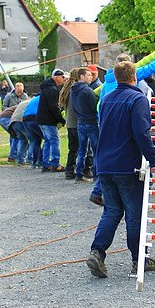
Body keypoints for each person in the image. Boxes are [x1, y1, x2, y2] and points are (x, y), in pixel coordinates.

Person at [86, 60, 155, 279]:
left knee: (111, 210)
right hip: (127, 164)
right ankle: (139, 259)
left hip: (106, 163)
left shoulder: (107, 98)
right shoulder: (137, 99)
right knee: (134, 213)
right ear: (134, 76)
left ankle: (97, 252)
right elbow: (141, 133)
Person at [70, 67, 104, 205]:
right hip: (90, 122)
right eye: (89, 75)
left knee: (82, 150)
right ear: (82, 76)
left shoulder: (73, 90)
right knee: (97, 150)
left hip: (80, 122)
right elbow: (94, 107)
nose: (91, 77)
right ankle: (96, 174)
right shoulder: (87, 91)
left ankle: (79, 173)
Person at [58, 68, 93, 182]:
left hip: (70, 122)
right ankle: (85, 170)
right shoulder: (77, 89)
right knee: (83, 149)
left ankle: (69, 171)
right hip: (77, 122)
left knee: (73, 148)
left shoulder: (68, 88)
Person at [36, 68, 67, 172]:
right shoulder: (52, 90)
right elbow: (53, 107)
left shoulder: (46, 88)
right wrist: (61, 119)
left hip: (41, 119)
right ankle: (55, 163)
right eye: (63, 77)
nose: (63, 80)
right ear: (57, 77)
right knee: (54, 140)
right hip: (48, 120)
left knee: (48, 141)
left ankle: (46, 163)